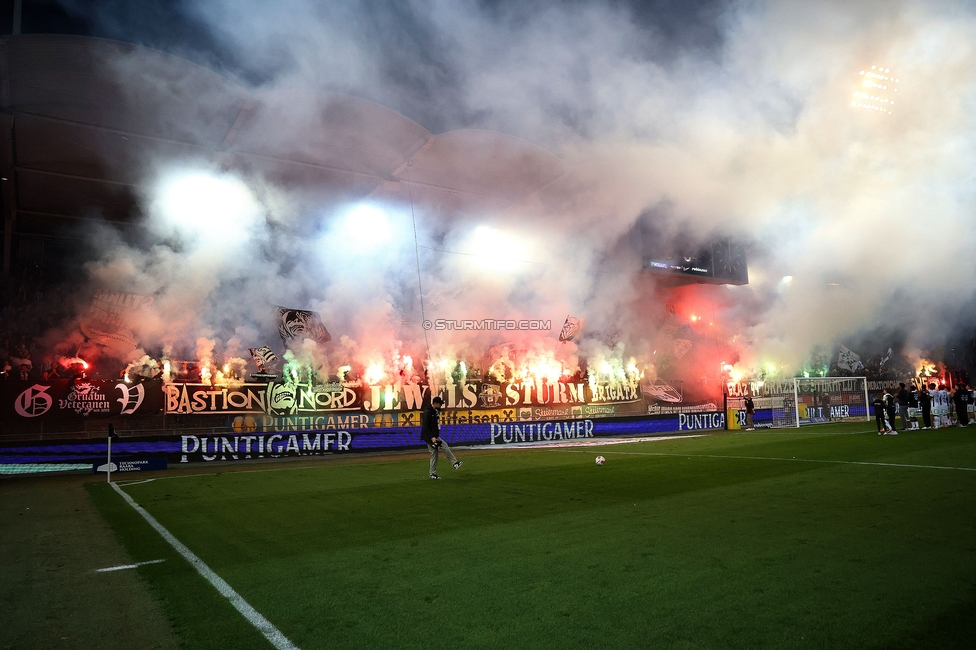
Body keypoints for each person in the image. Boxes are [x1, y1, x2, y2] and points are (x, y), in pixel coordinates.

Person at [420, 395, 462, 479]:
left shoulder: (435, 410)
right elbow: (425, 426)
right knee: (439, 450)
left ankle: (434, 472)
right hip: (429, 437)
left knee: (436, 453)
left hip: (434, 436)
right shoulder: (428, 411)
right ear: (435, 403)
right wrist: (432, 437)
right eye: (440, 404)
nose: (441, 405)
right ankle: (453, 464)